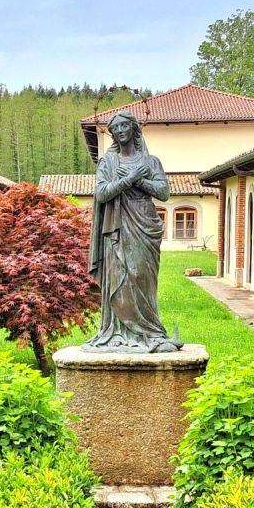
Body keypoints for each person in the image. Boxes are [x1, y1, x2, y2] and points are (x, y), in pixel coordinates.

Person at [85, 111, 182, 353]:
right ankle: (119, 332)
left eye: (124, 126)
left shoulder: (151, 162)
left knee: (141, 276)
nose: (119, 131)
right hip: (117, 226)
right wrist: (129, 180)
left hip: (144, 224)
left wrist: (140, 181)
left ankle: (149, 330)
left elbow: (163, 192)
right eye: (114, 128)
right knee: (120, 275)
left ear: (134, 129)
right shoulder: (107, 162)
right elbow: (102, 193)